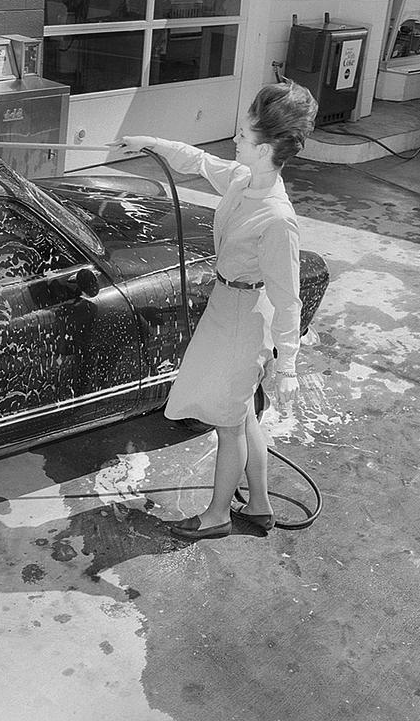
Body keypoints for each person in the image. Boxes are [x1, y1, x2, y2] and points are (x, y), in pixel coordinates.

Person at [110, 79, 318, 539]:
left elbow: (288, 298)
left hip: (245, 319)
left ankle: (217, 516)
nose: (235, 139)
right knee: (239, 413)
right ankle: (259, 505)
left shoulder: (277, 219)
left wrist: (287, 366)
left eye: (243, 135)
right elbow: (200, 162)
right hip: (227, 304)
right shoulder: (245, 179)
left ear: (264, 149)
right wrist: (150, 143)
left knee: (228, 422)